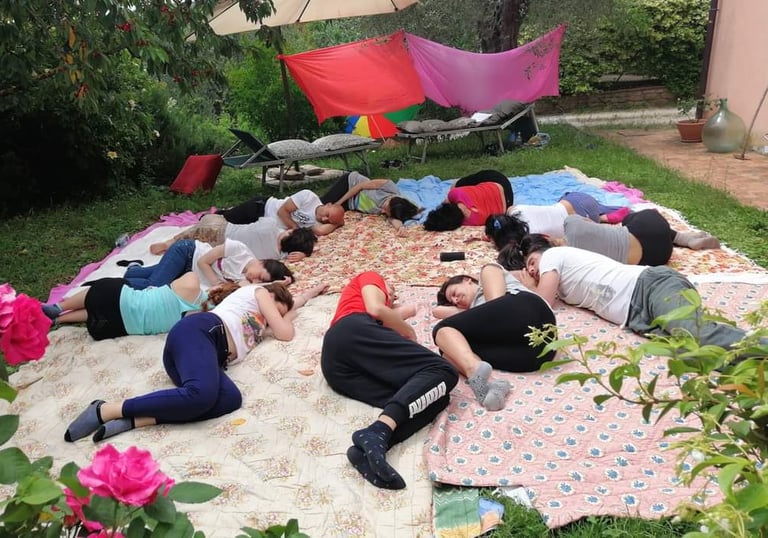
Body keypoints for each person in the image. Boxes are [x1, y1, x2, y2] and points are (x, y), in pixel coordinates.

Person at [63, 281, 328, 443]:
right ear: (275, 297)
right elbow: (286, 332)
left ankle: (135, 420)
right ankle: (106, 409)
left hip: (205, 358)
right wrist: (279, 318)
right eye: (276, 313)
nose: (273, 320)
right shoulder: (260, 293)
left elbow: (291, 313)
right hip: (200, 332)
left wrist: (312, 293)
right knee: (202, 394)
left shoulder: (258, 324)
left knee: (230, 400)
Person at [321, 271, 459, 490]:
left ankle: (370, 447)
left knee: (436, 398)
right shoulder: (370, 277)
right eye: (391, 290)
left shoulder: (377, 326)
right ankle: (377, 432)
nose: (392, 295)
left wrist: (403, 313)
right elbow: (377, 309)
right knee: (444, 371)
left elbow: (388, 314)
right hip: (350, 331)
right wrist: (409, 333)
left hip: (337, 370)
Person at [517, 236, 752, 350]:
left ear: (542, 253)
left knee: (696, 336)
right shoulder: (562, 284)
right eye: (527, 267)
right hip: (639, 317)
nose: (531, 269)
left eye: (531, 262)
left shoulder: (552, 256)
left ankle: (760, 348)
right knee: (696, 352)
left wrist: (528, 284)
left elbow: (542, 303)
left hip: (649, 287)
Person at [431, 263, 557, 411]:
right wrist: (462, 310)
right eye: (452, 302)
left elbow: (496, 304)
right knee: (448, 350)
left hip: (528, 310)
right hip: (535, 357)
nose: (455, 300)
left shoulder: (488, 270)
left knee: (441, 330)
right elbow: (437, 311)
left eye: (454, 293)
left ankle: (474, 370)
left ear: (467, 280)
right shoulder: (476, 315)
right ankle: (493, 385)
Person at [486, 208, 720, 266]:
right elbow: (592, 221)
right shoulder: (571, 225)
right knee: (632, 218)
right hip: (651, 232)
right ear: (547, 236)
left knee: (631, 227)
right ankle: (680, 236)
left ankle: (679, 239)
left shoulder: (565, 265)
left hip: (655, 258)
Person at [41, 273, 239, 340]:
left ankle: (59, 307)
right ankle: (58, 320)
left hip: (118, 300)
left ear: (219, 288)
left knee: (108, 288)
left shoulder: (192, 284)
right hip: (111, 328)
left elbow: (181, 276)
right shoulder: (205, 319)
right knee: (104, 308)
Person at [123, 238, 293, 290]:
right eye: (260, 276)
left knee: (150, 275)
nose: (255, 280)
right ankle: (118, 287)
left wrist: (274, 284)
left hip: (188, 270)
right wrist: (217, 283)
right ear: (262, 262)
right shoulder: (238, 250)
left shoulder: (246, 279)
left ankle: (132, 271)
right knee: (155, 285)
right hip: (187, 253)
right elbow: (203, 261)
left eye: (260, 282)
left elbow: (251, 292)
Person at [150, 216, 318, 263]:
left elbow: (258, 221)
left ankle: (168, 242)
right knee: (195, 237)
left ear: (290, 232)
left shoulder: (270, 225)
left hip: (221, 228)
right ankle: (170, 244)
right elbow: (287, 255)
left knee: (198, 229)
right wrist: (302, 254)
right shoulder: (275, 255)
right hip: (220, 246)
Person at [319, 171, 422, 234]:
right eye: (385, 208)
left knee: (330, 219)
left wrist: (400, 228)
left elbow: (393, 219)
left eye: (385, 213)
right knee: (322, 204)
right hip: (350, 185)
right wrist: (339, 202)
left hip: (350, 204)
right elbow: (360, 186)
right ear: (390, 200)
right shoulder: (389, 187)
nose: (382, 211)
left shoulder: (395, 210)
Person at [214, 189, 345, 236]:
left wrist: (337, 223)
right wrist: (294, 228)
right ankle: (210, 215)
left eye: (328, 220)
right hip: (262, 208)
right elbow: (282, 211)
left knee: (228, 232)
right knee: (227, 218)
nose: (324, 219)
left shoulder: (316, 222)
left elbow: (321, 231)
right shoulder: (309, 197)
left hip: (264, 225)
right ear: (328, 204)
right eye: (327, 215)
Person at [423, 169, 514, 231]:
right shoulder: (455, 193)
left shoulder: (472, 222)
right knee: (455, 185)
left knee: (458, 186)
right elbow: (445, 202)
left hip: (507, 203)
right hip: (499, 182)